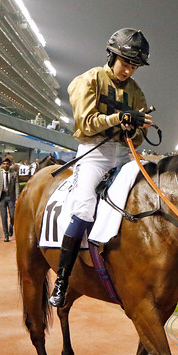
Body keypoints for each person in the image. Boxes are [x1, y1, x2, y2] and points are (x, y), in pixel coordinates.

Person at [48, 28, 153, 306]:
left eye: (134, 66)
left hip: (123, 154)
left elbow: (138, 138)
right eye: (125, 63)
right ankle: (62, 281)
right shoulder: (90, 79)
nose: (129, 70)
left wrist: (135, 127)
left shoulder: (136, 92)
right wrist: (120, 117)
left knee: (148, 198)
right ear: (112, 55)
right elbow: (85, 122)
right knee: (83, 207)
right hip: (93, 154)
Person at [0, 158, 20, 242]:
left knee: (12, 215)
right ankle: (6, 234)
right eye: (4, 164)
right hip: (2, 198)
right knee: (3, 217)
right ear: (2, 165)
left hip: (11, 197)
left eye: (7, 164)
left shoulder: (14, 174)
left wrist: (17, 198)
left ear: (9, 164)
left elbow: (17, 186)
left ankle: (11, 226)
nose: (5, 165)